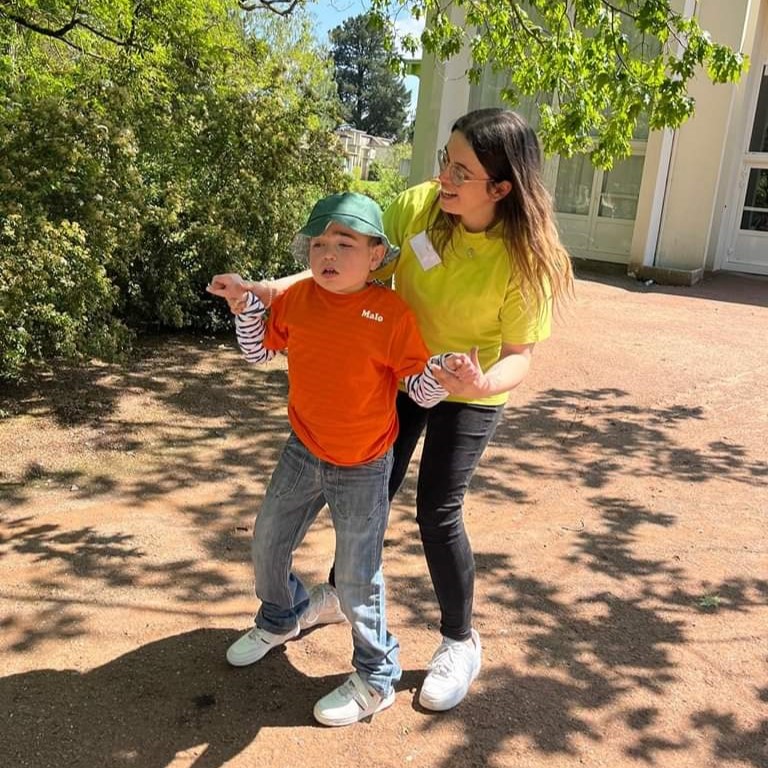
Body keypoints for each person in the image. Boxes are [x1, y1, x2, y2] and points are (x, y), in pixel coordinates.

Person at [211, 107, 574, 713]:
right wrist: (266, 291)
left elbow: (519, 357)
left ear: (501, 188)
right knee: (367, 487)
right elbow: (346, 259)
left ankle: (459, 641)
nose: (444, 178)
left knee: (437, 509)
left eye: (461, 172)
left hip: (468, 385)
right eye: (445, 161)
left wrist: (479, 380)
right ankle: (338, 594)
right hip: (398, 370)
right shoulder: (421, 207)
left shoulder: (525, 258)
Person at [207, 192, 478, 727]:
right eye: (319, 244)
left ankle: (377, 677)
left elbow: (418, 390)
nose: (327, 253)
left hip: (364, 465)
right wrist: (246, 307)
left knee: (357, 580)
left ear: (376, 256)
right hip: (303, 449)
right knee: (268, 541)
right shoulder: (298, 298)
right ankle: (281, 615)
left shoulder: (392, 313)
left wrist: (443, 374)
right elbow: (259, 351)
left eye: (345, 243)